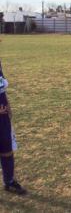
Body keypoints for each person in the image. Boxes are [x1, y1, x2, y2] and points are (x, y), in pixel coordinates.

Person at [0, 60, 26, 195]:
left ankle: (9, 181)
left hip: (2, 116)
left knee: (6, 149)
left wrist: (8, 104)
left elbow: (1, 88)